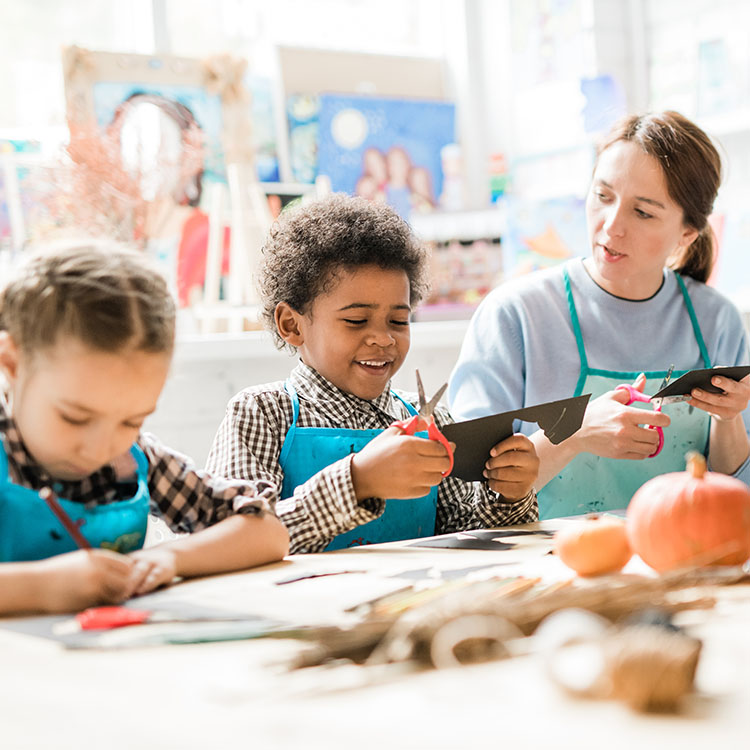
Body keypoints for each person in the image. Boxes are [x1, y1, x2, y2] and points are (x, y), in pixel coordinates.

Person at [449, 110, 750, 519]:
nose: (611, 227)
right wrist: (575, 434)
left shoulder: (717, 322)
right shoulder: (515, 315)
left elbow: (735, 495)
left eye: (643, 212)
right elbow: (465, 502)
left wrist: (729, 419)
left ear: (687, 234)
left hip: (678, 565)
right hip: (540, 569)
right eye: (603, 196)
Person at [206, 194, 539, 553]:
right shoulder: (261, 415)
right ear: (292, 324)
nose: (383, 338)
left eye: (398, 320)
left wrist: (509, 495)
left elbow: (465, 536)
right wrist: (357, 481)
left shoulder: (430, 421)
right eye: (356, 321)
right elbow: (232, 540)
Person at [0, 245, 288, 615]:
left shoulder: (130, 459)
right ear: (12, 363)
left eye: (131, 420)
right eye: (75, 418)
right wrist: (44, 587)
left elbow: (266, 532)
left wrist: (170, 557)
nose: (101, 447)